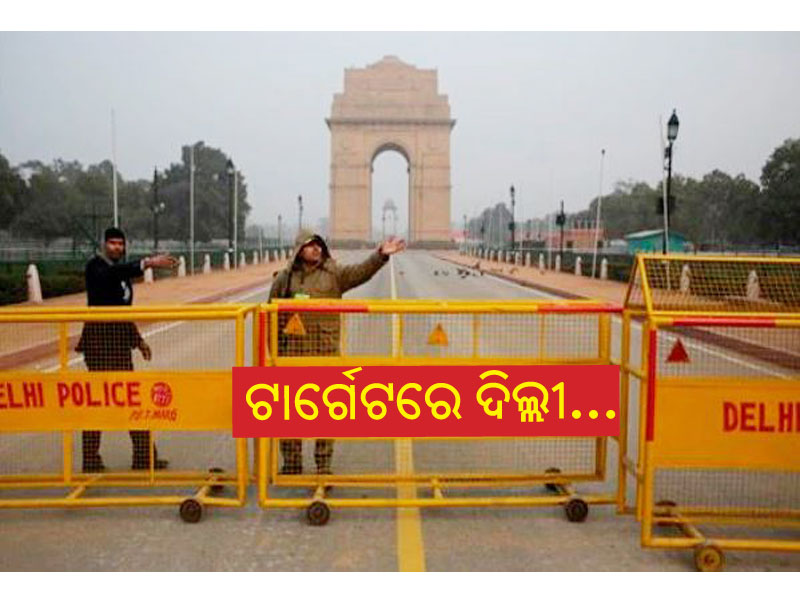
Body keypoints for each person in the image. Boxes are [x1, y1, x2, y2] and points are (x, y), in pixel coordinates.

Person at [269, 229, 406, 474]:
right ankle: (291, 463)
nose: (316, 249)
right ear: (299, 249)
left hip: (325, 353)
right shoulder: (285, 279)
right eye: (310, 245)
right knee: (289, 414)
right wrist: (274, 354)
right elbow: (272, 317)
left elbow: (361, 272)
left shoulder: (334, 274)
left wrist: (381, 256)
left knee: (325, 416)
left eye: (319, 245)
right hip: (293, 356)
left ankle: (323, 466)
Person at [75, 227, 178, 472]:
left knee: (133, 401)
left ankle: (143, 457)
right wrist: (148, 263)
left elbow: (122, 312)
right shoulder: (96, 267)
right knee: (99, 402)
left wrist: (138, 341)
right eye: (112, 243)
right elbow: (111, 275)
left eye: (120, 244)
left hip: (119, 344)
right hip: (99, 346)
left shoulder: (120, 273)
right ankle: (91, 459)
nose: (117, 248)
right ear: (104, 245)